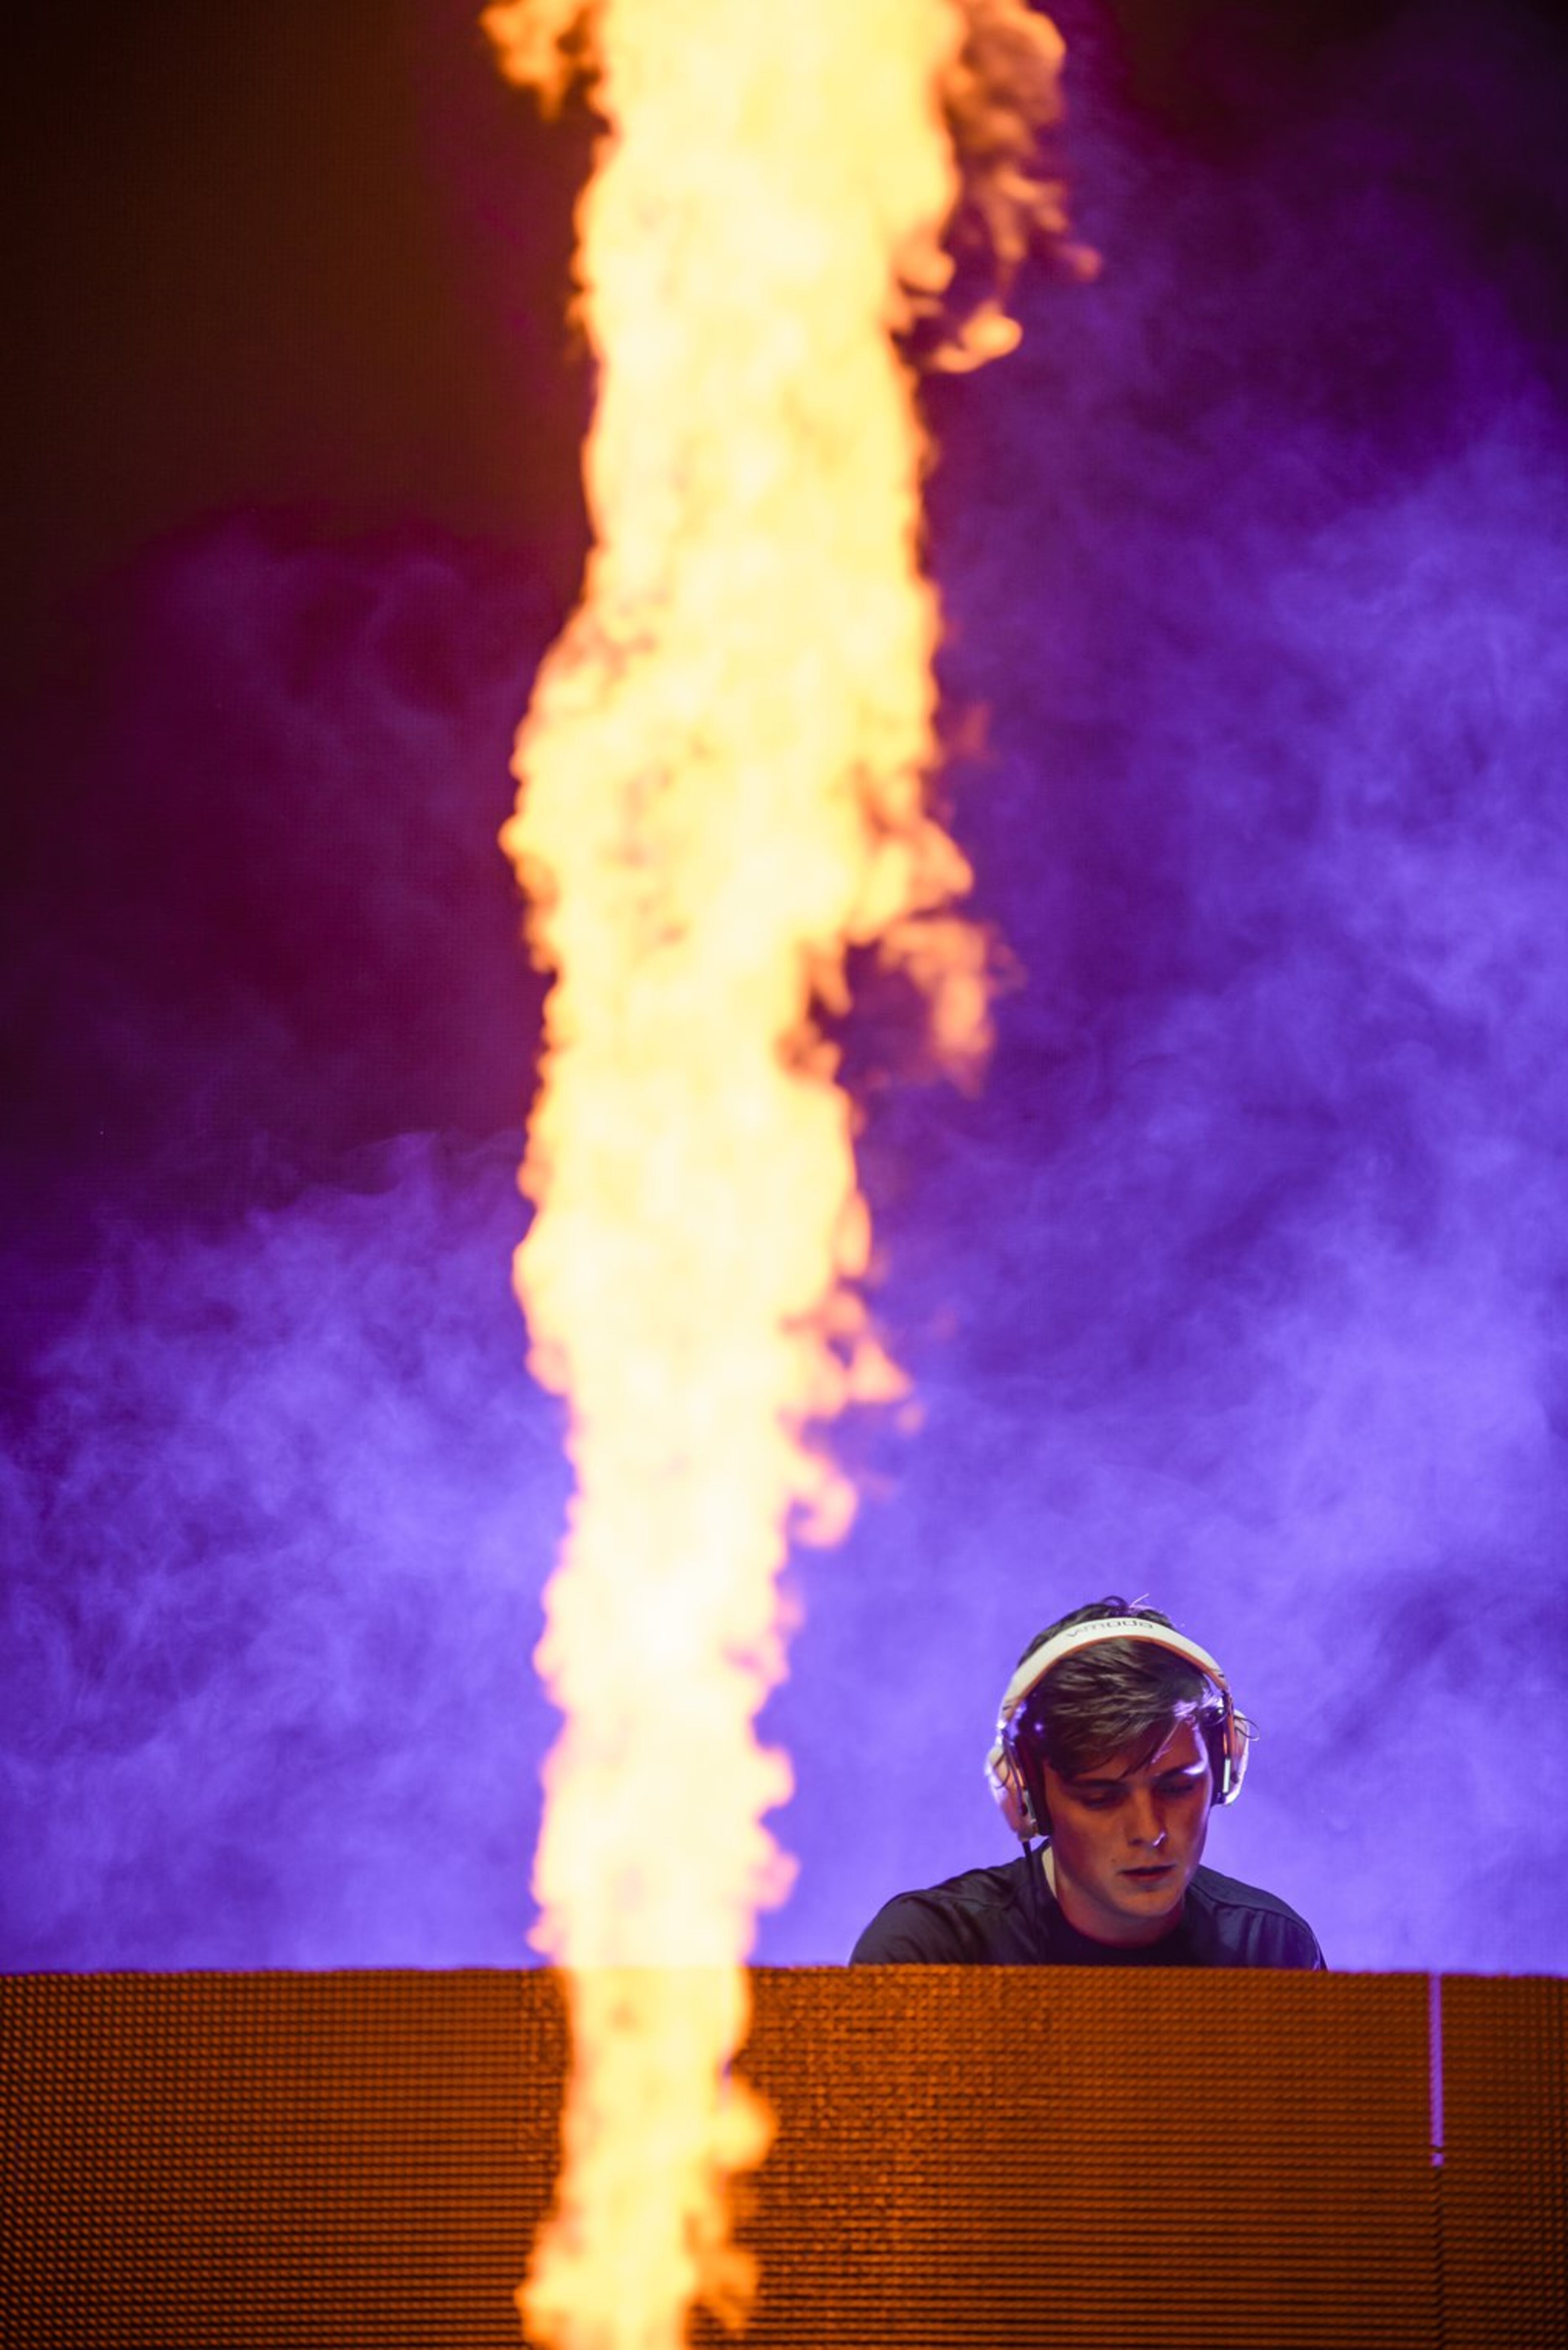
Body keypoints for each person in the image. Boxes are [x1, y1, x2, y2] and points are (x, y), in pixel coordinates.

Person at [851, 1596, 1324, 1967]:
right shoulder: (932, 1952)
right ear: (1028, 1799)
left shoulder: (1270, 1949)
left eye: (1177, 1788)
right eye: (1101, 1798)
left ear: (1226, 1772)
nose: (1149, 1830)